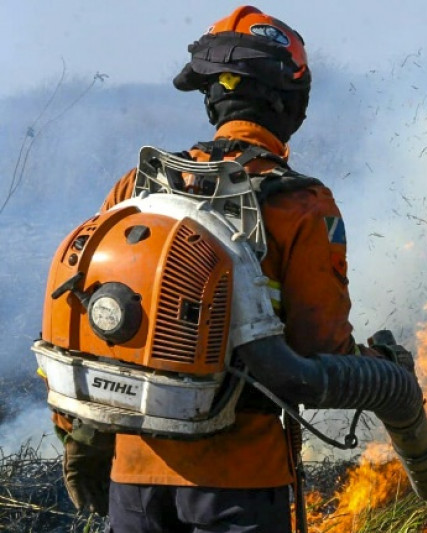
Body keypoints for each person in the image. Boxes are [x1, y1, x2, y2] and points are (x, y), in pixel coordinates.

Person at [56, 6, 370, 531]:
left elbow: (85, 321)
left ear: (212, 100)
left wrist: (80, 438)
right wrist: (381, 365)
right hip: (241, 481)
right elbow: (323, 354)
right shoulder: (303, 206)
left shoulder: (136, 192)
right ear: (290, 101)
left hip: (134, 478)